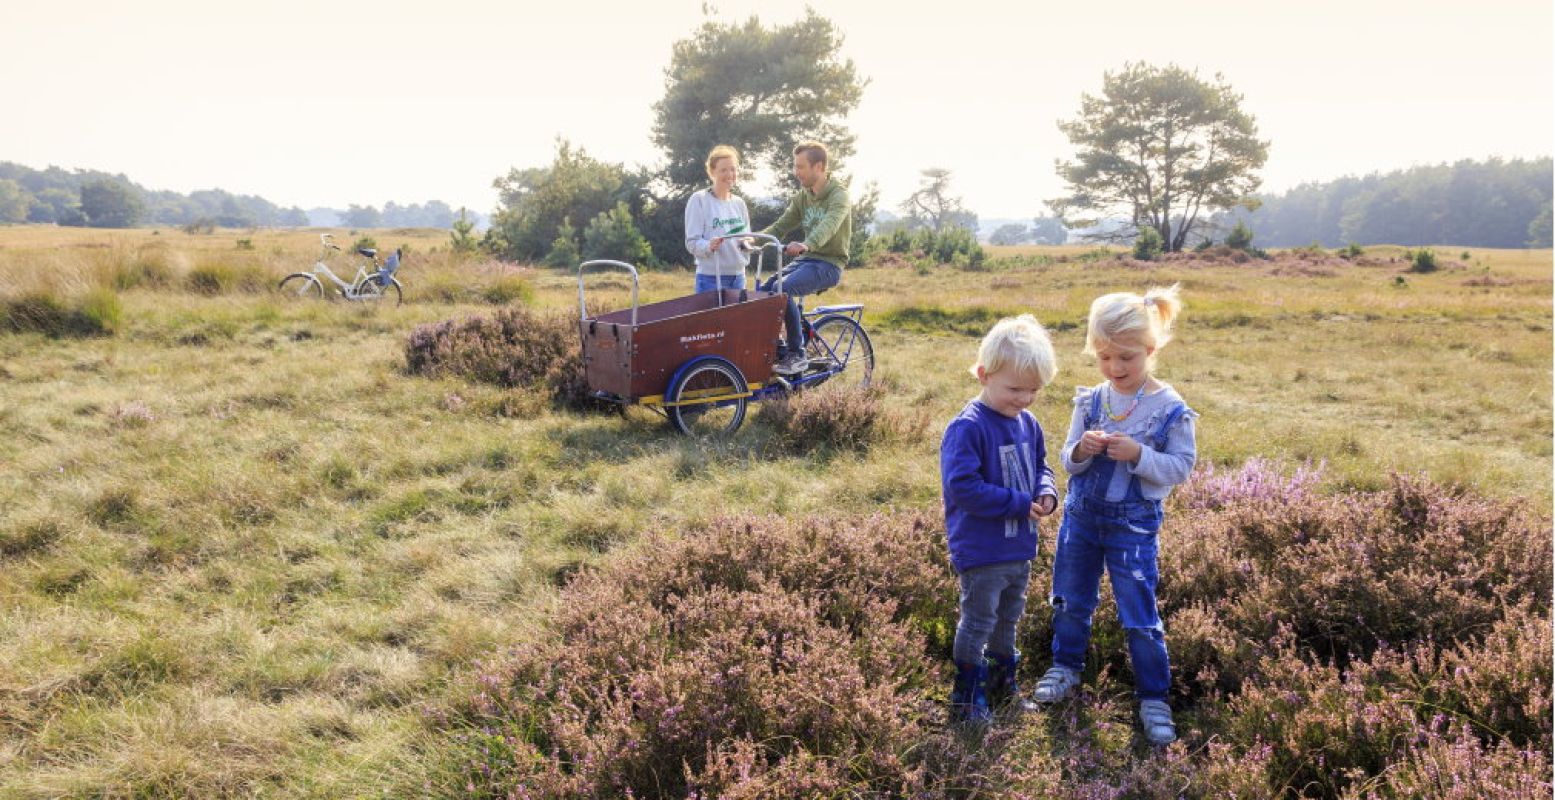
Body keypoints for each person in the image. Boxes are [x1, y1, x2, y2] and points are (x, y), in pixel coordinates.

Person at [1032, 284, 1198, 747]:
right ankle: (1064, 668)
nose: (1115, 368)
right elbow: (1067, 460)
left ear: (1150, 349)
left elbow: (1181, 467)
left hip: (1133, 526)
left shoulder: (1169, 409)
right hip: (1082, 520)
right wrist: (1082, 450)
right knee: (1069, 598)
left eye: (1126, 357)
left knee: (1138, 611)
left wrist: (1140, 453)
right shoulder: (1090, 401)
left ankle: (1153, 696)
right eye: (1104, 358)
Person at [940, 314, 1060, 723]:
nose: (1024, 398)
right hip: (982, 549)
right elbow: (963, 488)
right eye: (1014, 389)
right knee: (978, 621)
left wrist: (1047, 492)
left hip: (1019, 546)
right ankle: (967, 697)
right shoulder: (968, 427)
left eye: (1033, 390)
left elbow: (1043, 466)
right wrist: (1016, 502)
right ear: (983, 374)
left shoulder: (1029, 423)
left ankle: (1002, 686)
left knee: (1009, 617)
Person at [757, 141, 851, 375]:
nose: (795, 172)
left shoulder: (839, 195)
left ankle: (797, 354)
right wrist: (752, 241)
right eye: (795, 166)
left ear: (818, 166)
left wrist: (807, 244)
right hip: (807, 260)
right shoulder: (802, 197)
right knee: (765, 291)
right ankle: (779, 349)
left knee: (782, 288)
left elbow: (830, 225)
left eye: (800, 167)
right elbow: (781, 225)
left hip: (829, 263)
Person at [684, 144, 753, 293]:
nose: (730, 174)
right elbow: (692, 243)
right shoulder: (699, 200)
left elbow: (746, 238)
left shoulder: (739, 203)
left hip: (739, 278)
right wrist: (709, 245)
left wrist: (747, 244)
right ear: (712, 172)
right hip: (710, 280)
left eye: (733, 169)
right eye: (723, 170)